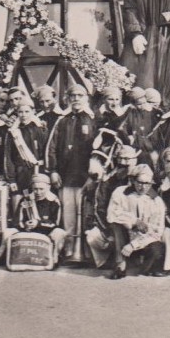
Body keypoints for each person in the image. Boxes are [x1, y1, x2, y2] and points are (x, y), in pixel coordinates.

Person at [45, 84, 99, 262]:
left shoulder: (94, 119)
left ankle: (87, 251)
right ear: (67, 99)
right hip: (66, 176)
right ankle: (69, 251)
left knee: (86, 214)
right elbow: (51, 147)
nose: (76, 99)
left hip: (86, 178)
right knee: (68, 216)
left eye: (80, 95)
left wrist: (93, 176)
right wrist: (53, 171)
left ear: (86, 98)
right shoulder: (62, 120)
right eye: (72, 95)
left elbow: (99, 150)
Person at [85, 144, 142, 269]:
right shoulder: (109, 180)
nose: (123, 162)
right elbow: (99, 207)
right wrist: (107, 230)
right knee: (93, 236)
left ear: (135, 160)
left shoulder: (144, 177)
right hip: (115, 224)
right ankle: (108, 262)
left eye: (127, 159)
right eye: (120, 159)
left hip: (138, 225)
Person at [106, 164, 167, 279]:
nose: (143, 187)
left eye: (147, 183)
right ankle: (120, 266)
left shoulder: (157, 201)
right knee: (115, 226)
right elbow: (112, 215)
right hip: (124, 236)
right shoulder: (120, 192)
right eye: (139, 182)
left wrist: (133, 245)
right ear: (133, 180)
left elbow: (156, 231)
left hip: (142, 240)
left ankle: (145, 266)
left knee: (156, 249)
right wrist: (134, 221)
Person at [6, 173, 67, 265]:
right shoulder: (26, 199)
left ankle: (53, 260)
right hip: (27, 233)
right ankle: (8, 259)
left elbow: (56, 223)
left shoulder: (54, 201)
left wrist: (38, 223)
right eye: (35, 189)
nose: (38, 192)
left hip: (46, 233)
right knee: (8, 232)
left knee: (59, 233)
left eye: (41, 189)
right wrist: (25, 225)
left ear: (48, 188)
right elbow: (17, 221)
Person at [4, 98, 48, 203]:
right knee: (19, 202)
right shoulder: (12, 132)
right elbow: (8, 157)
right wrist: (11, 179)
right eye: (20, 112)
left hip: (37, 172)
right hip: (20, 173)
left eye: (27, 111)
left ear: (33, 111)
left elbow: (46, 150)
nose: (23, 115)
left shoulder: (40, 129)